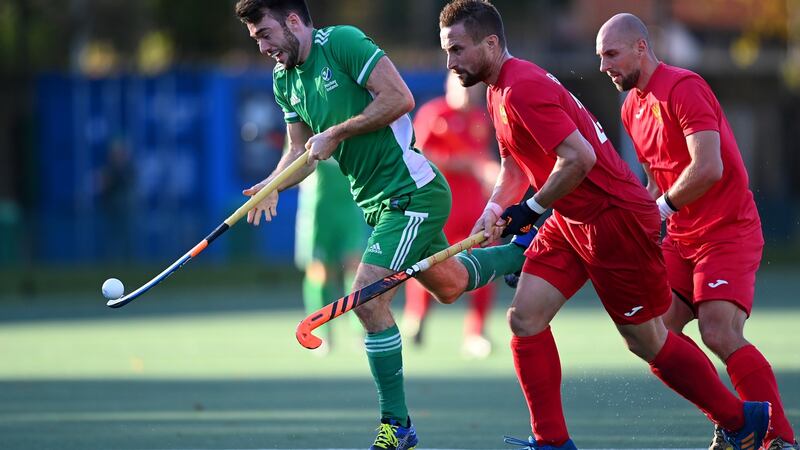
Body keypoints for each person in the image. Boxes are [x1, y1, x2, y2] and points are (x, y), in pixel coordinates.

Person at [437, 1, 771, 449]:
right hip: (571, 218)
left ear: (491, 43)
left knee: (648, 340)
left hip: (612, 220)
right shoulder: (498, 91)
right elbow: (514, 165)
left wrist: (531, 210)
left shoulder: (521, 88)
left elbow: (579, 158)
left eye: (457, 49)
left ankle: (738, 420)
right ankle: (553, 442)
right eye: (447, 51)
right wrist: (496, 210)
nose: (451, 61)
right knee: (526, 317)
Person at [234, 1, 532, 449]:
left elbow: (400, 99)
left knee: (369, 301)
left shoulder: (344, 43)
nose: (263, 46)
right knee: (449, 285)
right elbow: (300, 153)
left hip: (412, 193)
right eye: (256, 38)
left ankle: (398, 425)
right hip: (376, 205)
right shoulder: (285, 80)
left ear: (293, 21)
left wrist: (337, 132)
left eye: (265, 34)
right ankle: (524, 250)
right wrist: (274, 185)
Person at [596, 13, 797, 450]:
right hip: (681, 238)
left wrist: (661, 209)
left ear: (641, 48)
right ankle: (734, 421)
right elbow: (655, 179)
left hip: (727, 231)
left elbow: (708, 167)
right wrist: (644, 220)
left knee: (719, 331)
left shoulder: (683, 87)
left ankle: (779, 439)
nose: (603, 66)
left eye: (611, 54)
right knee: (649, 335)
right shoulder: (632, 106)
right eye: (599, 56)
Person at [401, 71, 500, 359]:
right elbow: (417, 155)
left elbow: (483, 160)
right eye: (462, 86)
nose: (469, 93)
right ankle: (417, 318)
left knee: (483, 265)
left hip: (474, 208)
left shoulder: (482, 118)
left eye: (473, 88)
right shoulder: (434, 114)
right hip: (440, 208)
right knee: (429, 264)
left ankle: (476, 332)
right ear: (449, 86)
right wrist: (461, 164)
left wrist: (491, 174)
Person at [295, 157, 366, 355]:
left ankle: (361, 331)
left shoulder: (354, 124)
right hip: (318, 205)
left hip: (350, 201)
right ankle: (320, 332)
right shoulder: (303, 125)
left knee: (357, 267)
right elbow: (294, 157)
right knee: (320, 271)